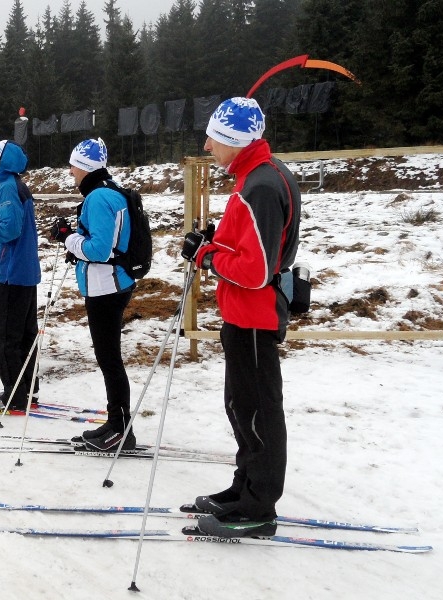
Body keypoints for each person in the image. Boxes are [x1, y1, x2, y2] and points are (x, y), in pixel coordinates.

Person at [181, 97, 301, 539]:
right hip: (243, 314)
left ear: (234, 139)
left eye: (214, 138)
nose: (208, 147)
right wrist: (216, 240)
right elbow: (250, 245)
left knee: (257, 410)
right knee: (240, 405)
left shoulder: (262, 186)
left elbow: (255, 269)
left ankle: (259, 505)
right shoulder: (254, 177)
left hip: (255, 315)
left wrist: (208, 255)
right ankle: (245, 487)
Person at [52, 138, 137, 452]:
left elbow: (99, 249)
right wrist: (75, 241)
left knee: (109, 359)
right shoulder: (107, 190)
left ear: (84, 166)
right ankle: (117, 424)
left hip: (107, 287)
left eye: (73, 164)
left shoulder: (99, 197)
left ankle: (120, 429)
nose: (70, 170)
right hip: (111, 283)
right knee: (109, 357)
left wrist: (69, 240)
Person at [0, 140, 41, 411]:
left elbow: (9, 229)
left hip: (10, 272)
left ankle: (14, 395)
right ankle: (27, 389)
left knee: (4, 336)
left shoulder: (6, 187)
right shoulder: (17, 185)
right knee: (25, 334)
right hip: (24, 271)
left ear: (3, 160)